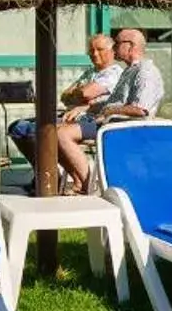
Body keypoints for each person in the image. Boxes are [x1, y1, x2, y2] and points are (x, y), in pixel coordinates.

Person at [8, 33, 117, 193]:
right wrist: (79, 94)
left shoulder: (113, 73)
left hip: (91, 120)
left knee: (40, 131)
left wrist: (81, 97)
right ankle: (48, 174)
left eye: (99, 49)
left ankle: (68, 179)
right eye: (91, 50)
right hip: (70, 116)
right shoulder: (90, 73)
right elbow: (65, 96)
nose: (94, 54)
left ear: (112, 51)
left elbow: (85, 94)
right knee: (18, 128)